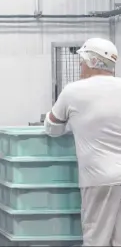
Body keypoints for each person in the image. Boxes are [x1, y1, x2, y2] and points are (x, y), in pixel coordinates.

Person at [44, 37, 121, 246]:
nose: (81, 64)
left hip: (99, 178)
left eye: (83, 60)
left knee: (95, 238)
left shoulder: (74, 91)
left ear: (93, 62)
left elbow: (51, 127)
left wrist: (73, 123)